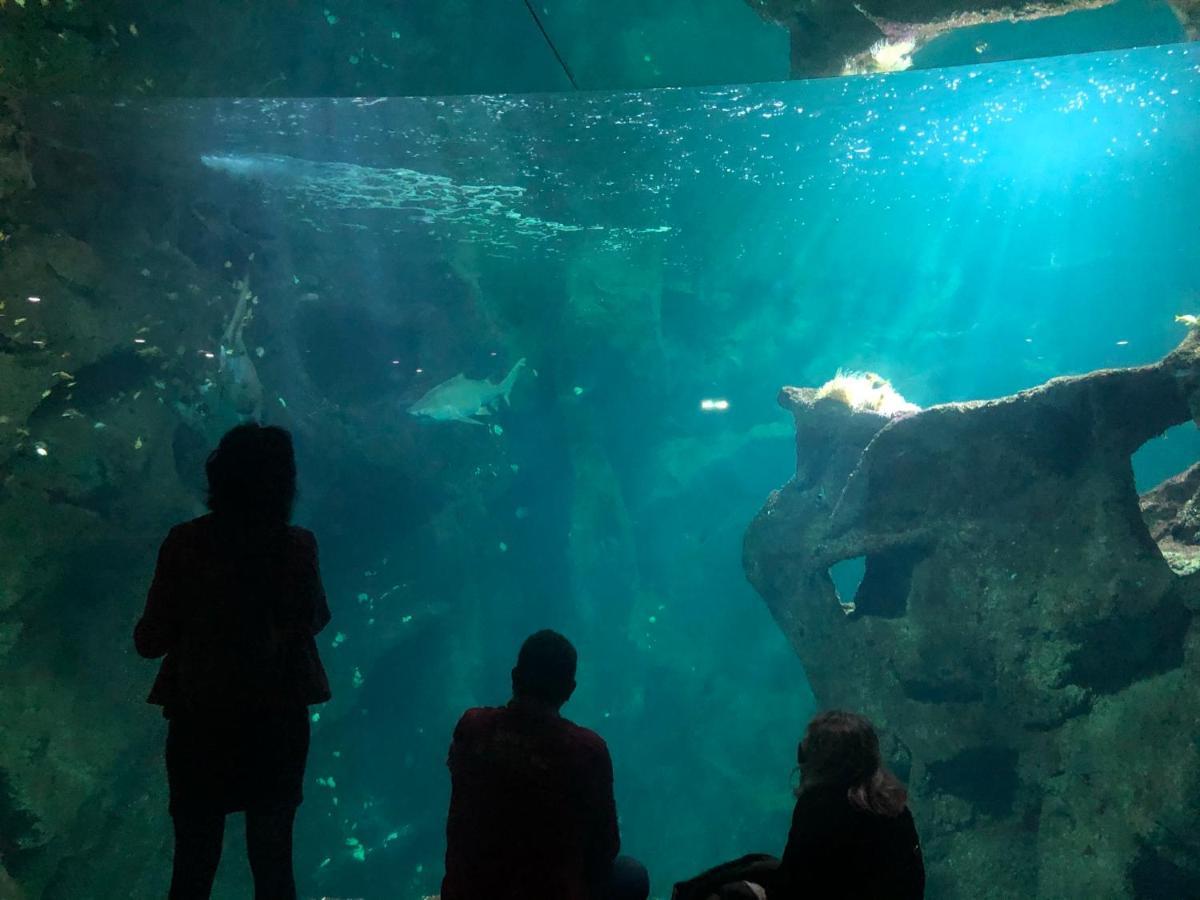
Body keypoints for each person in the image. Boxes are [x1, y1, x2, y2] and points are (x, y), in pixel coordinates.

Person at [134, 423, 332, 900]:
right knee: (273, 865)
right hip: (276, 720)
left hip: (201, 718)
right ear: (284, 484)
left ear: (218, 477)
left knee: (194, 865)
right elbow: (317, 618)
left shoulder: (185, 543)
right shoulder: (296, 546)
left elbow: (150, 640)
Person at [441, 629, 649, 900]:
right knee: (631, 874)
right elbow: (605, 849)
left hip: (468, 891)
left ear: (514, 676)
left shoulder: (473, 728)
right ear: (569, 690)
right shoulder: (587, 752)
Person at [673, 710, 924, 900]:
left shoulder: (820, 808)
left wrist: (757, 893)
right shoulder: (894, 805)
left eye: (804, 752)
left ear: (822, 761)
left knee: (735, 892)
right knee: (759, 864)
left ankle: (683, 895)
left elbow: (796, 889)